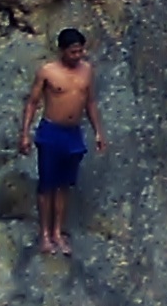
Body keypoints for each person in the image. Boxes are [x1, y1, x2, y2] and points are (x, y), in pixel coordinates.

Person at [19, 25, 105, 257]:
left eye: (80, 51)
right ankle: (45, 233)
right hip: (51, 130)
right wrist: (25, 133)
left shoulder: (87, 71)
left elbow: (91, 102)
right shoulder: (48, 72)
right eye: (73, 52)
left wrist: (98, 132)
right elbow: (33, 103)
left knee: (65, 185)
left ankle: (58, 231)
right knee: (47, 185)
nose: (77, 56)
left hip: (73, 132)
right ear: (62, 51)